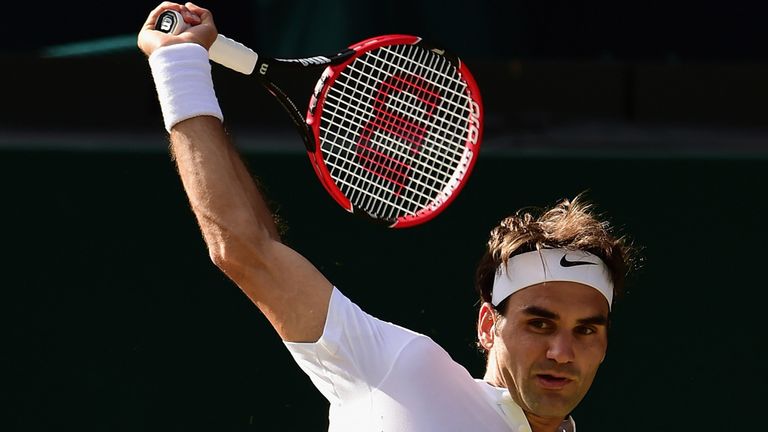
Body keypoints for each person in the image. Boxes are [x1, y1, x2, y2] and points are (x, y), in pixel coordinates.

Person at [138, 3, 636, 431]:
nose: (561, 352)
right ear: (489, 326)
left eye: (586, 330)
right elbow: (248, 251)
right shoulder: (400, 370)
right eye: (540, 324)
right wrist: (178, 66)